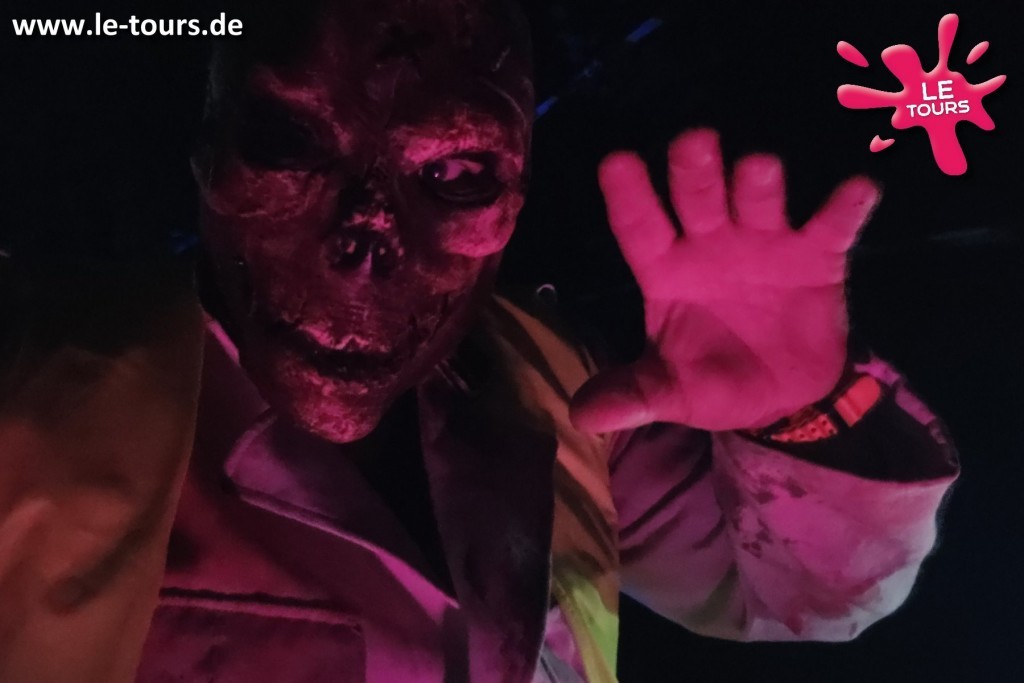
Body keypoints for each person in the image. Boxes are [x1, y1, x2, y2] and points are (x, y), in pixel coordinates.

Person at [0, 1, 958, 681]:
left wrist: (805, 411)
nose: (365, 238)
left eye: (456, 174)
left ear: (518, 202)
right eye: (291, 143)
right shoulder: (34, 407)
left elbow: (804, 597)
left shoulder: (558, 391)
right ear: (208, 149)